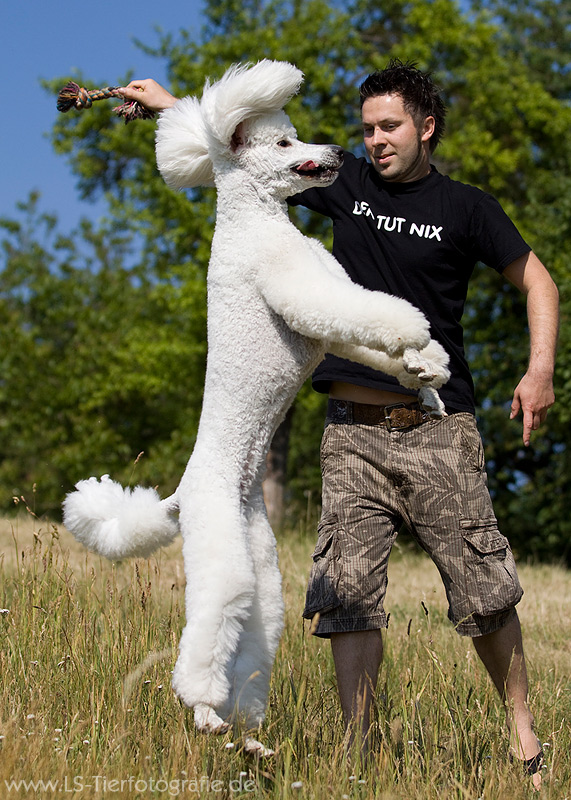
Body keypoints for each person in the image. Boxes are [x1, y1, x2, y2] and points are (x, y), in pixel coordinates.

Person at [119, 61, 558, 789]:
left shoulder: (466, 208)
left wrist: (537, 369)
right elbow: (246, 157)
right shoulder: (344, 181)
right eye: (366, 129)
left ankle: (522, 730)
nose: (375, 140)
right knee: (346, 595)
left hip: (435, 428)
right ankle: (357, 756)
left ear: (426, 127)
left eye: (389, 127)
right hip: (349, 429)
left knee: (482, 592)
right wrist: (172, 106)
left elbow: (537, 279)